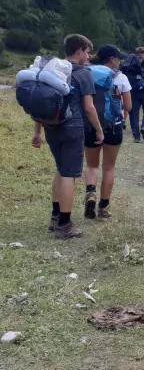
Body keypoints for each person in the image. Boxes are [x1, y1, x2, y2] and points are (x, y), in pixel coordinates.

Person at [31, 34, 103, 239]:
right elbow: (89, 108)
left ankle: (55, 217)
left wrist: (37, 132)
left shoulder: (53, 71)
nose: (88, 56)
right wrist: (99, 130)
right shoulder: (83, 73)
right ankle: (65, 224)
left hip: (50, 126)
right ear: (79, 50)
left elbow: (42, 103)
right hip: (73, 127)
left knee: (61, 170)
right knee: (69, 174)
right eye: (87, 52)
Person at [83, 45, 132, 219]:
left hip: (91, 125)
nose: (120, 62)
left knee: (91, 165)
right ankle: (103, 207)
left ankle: (90, 192)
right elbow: (128, 106)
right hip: (114, 125)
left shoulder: (86, 73)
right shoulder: (121, 78)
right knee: (109, 167)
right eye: (119, 58)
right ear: (112, 59)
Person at [124, 47, 144, 143]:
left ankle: (136, 136)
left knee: (134, 114)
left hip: (132, 92)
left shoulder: (128, 65)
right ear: (141, 54)